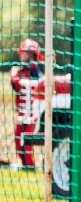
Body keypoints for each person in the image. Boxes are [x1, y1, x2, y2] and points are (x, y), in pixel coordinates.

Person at [10, 38, 42, 170]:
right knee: (19, 137)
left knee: (26, 140)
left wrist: (13, 74)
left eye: (23, 53)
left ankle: (29, 165)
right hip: (22, 113)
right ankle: (24, 164)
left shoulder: (34, 72)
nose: (21, 55)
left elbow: (17, 84)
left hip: (31, 114)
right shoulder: (23, 71)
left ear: (30, 54)